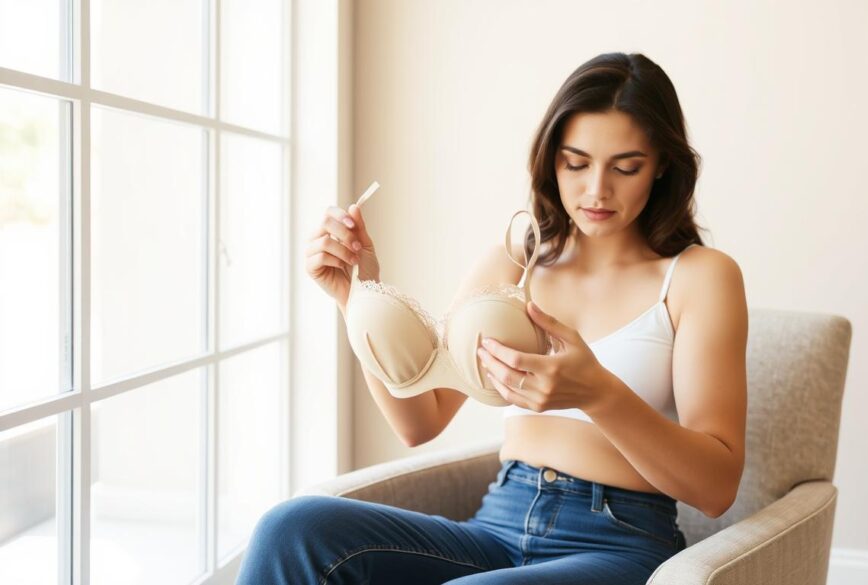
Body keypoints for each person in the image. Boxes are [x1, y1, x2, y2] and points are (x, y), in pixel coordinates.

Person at [237, 51, 748, 585]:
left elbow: (716, 488)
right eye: (576, 163)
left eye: (625, 167)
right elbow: (420, 420)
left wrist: (597, 392)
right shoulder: (517, 256)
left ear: (662, 164)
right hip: (499, 524)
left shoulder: (699, 276)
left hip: (621, 542)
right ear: (551, 160)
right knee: (292, 528)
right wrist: (355, 297)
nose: (597, 189)